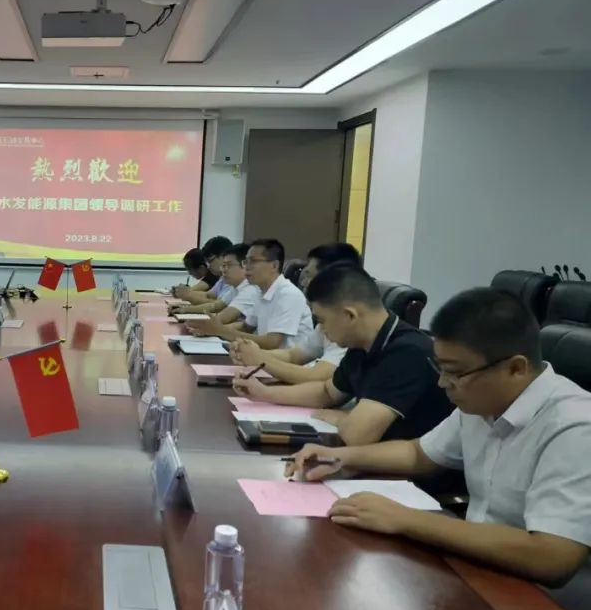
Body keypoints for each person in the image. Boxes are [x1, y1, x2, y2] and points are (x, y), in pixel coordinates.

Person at [287, 288, 591, 590]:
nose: (443, 382)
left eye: (455, 373)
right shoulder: (483, 402)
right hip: (476, 565)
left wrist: (404, 519)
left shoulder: (575, 426)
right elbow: (419, 454)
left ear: (515, 368)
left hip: (534, 595)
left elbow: (553, 556)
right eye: (440, 368)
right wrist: (341, 458)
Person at [233, 263, 452, 445]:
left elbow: (357, 435)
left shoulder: (407, 352)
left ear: (349, 315)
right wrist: (263, 393)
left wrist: (343, 417)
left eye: (322, 321)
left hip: (409, 477)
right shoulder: (362, 344)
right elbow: (327, 393)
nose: (322, 330)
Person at [230, 242, 360, 384]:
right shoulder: (327, 321)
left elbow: (316, 376)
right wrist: (250, 354)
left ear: (334, 279)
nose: (304, 283)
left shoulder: (348, 323)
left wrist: (259, 359)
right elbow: (294, 355)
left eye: (309, 276)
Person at [228, 239, 313, 349]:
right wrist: (215, 328)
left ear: (274, 265)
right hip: (267, 356)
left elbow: (272, 342)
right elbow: (246, 327)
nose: (246, 267)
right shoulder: (259, 291)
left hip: (288, 359)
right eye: (246, 261)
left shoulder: (289, 294)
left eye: (253, 261)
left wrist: (223, 332)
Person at [182, 242, 260, 323]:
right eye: (224, 265)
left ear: (245, 265)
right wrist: (185, 309)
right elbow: (215, 306)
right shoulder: (235, 288)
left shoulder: (250, 290)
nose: (223, 270)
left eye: (229, 265)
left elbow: (223, 318)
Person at [172, 236, 232, 304]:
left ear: (223, 256)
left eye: (210, 261)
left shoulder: (231, 279)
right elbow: (208, 296)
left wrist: (188, 295)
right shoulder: (223, 279)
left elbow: (219, 305)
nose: (208, 266)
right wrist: (186, 295)